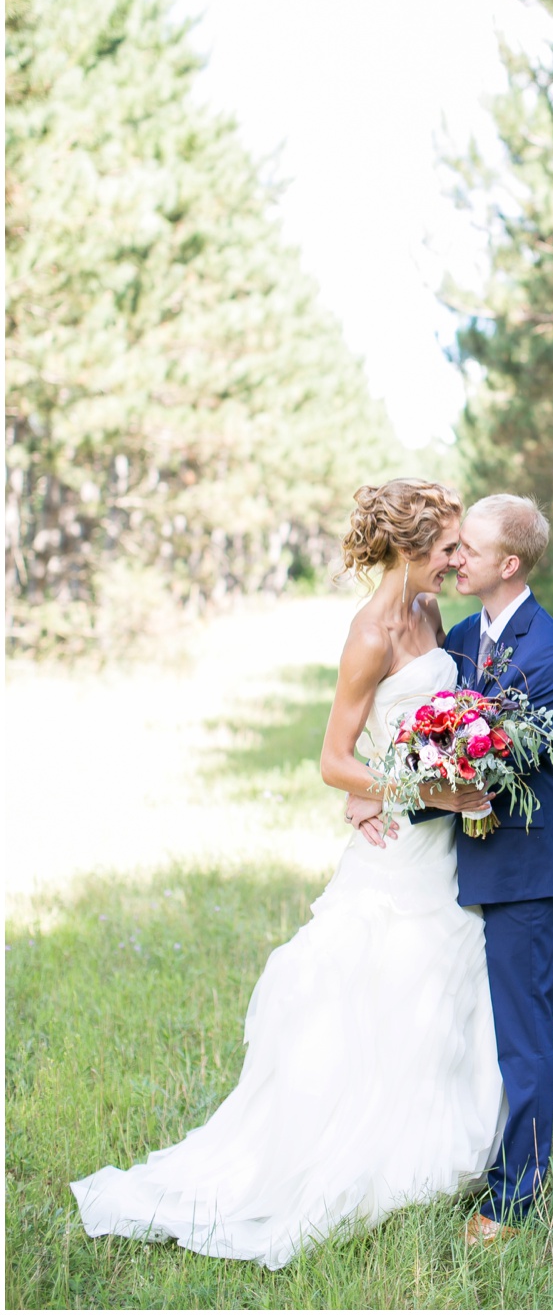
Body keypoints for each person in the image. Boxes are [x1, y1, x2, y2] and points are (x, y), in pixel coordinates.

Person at [72, 479, 505, 1270]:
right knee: (373, 990)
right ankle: (341, 1157)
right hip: (396, 844)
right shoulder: (370, 632)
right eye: (447, 547)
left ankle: (424, 1153)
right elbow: (333, 760)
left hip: (441, 844)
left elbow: (420, 725)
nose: (456, 560)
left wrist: (445, 766)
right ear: (410, 548)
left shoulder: (430, 614)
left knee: (437, 990)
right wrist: (409, 789)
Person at [347, 492, 553, 1248]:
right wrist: (375, 787)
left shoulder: (550, 656)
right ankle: (456, 1152)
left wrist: (394, 787)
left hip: (518, 868)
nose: (455, 558)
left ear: (506, 564)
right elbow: (421, 732)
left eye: (468, 549)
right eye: (451, 547)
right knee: (453, 1022)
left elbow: (488, 763)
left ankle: (515, 1199)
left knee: (521, 1032)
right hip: (450, 858)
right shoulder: (459, 632)